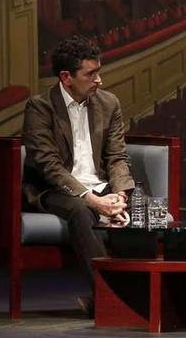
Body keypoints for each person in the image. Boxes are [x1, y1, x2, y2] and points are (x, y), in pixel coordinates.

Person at [22, 35, 134, 317]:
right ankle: (112, 300)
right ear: (66, 77)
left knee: (142, 207)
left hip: (101, 185)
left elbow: (117, 157)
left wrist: (120, 195)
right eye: (91, 74)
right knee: (83, 210)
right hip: (56, 190)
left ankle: (147, 295)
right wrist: (93, 199)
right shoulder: (40, 107)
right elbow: (48, 165)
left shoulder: (109, 103)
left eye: (99, 71)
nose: (99, 80)